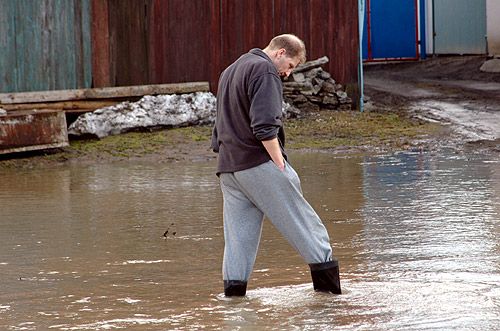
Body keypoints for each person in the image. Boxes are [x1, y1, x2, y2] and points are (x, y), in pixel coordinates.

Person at [211, 34, 341, 296]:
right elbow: (264, 126)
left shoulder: (230, 69)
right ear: (280, 53)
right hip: (259, 164)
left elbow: (220, 124)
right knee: (309, 230)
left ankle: (234, 305)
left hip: (229, 169)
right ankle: (330, 302)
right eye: (291, 66)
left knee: (238, 244)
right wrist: (280, 164)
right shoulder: (265, 70)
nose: (288, 74)